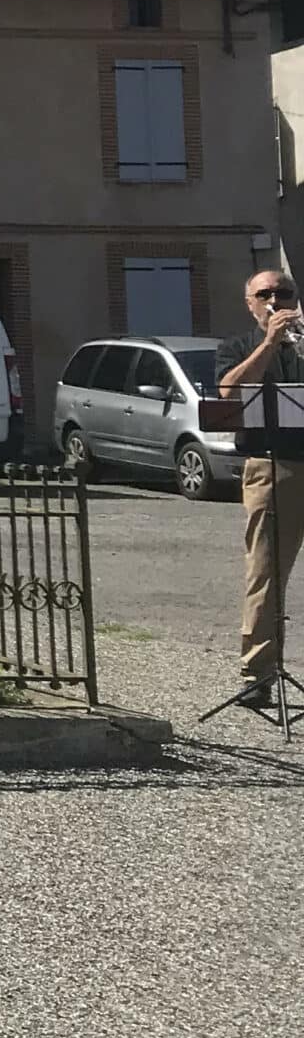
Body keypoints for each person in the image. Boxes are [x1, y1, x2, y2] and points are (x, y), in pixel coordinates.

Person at [216, 266, 304, 709]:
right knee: (266, 574)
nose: (275, 299)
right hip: (273, 467)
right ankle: (258, 675)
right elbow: (228, 395)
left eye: (283, 292)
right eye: (264, 294)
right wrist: (270, 344)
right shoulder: (238, 347)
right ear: (249, 303)